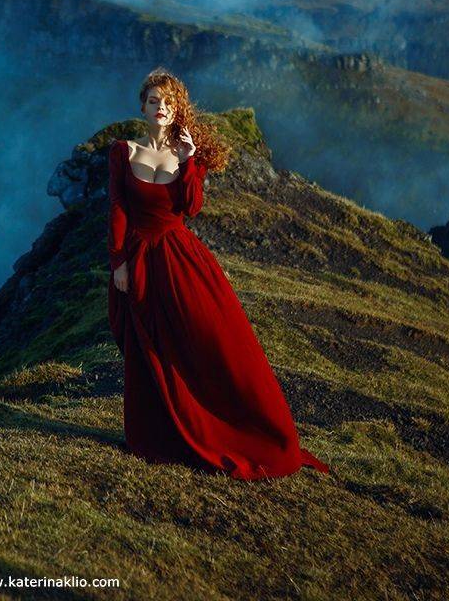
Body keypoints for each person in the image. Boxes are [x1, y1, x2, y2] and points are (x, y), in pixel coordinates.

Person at [107, 67, 330, 480]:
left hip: (180, 259)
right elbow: (119, 208)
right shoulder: (123, 152)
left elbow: (191, 208)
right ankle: (160, 435)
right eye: (154, 101)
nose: (160, 109)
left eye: (168, 103)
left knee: (213, 342)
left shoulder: (189, 156)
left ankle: (256, 434)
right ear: (142, 106)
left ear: (178, 110)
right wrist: (118, 263)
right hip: (139, 260)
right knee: (149, 347)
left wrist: (190, 162)